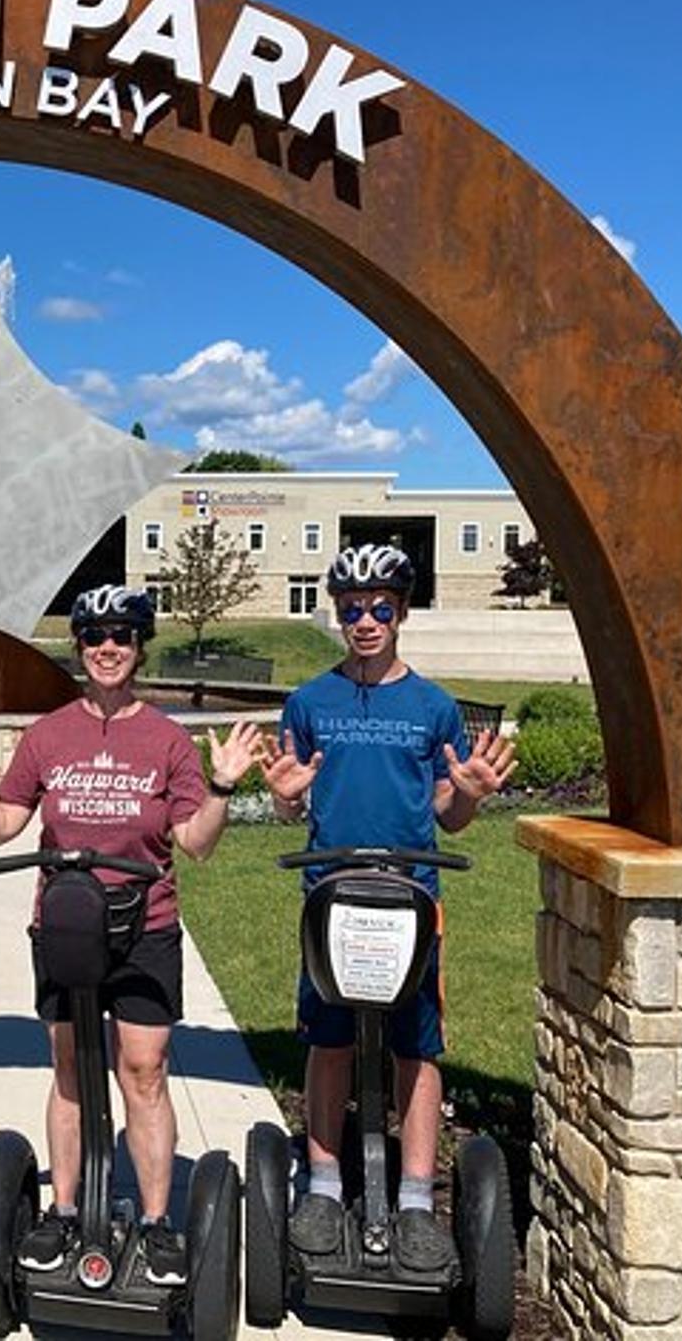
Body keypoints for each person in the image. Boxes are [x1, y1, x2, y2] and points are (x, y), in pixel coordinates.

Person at [0, 585, 264, 1287]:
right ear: (78, 647)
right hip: (67, 927)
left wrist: (223, 787)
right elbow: (8, 824)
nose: (107, 647)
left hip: (146, 928)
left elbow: (194, 844)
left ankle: (157, 1220)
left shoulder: (167, 739)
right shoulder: (47, 735)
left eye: (122, 635)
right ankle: (64, 1206)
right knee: (72, 1071)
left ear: (140, 646)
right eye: (94, 636)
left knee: (144, 1071)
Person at [263, 543, 514, 1271]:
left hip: (410, 895)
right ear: (337, 614)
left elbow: (449, 811)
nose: (364, 620)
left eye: (379, 607)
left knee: (416, 1043)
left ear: (401, 612)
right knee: (329, 1037)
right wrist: (283, 798)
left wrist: (465, 791)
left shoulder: (433, 705)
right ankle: (320, 1181)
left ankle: (412, 1197)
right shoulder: (310, 702)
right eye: (350, 608)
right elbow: (293, 799)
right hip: (331, 892)